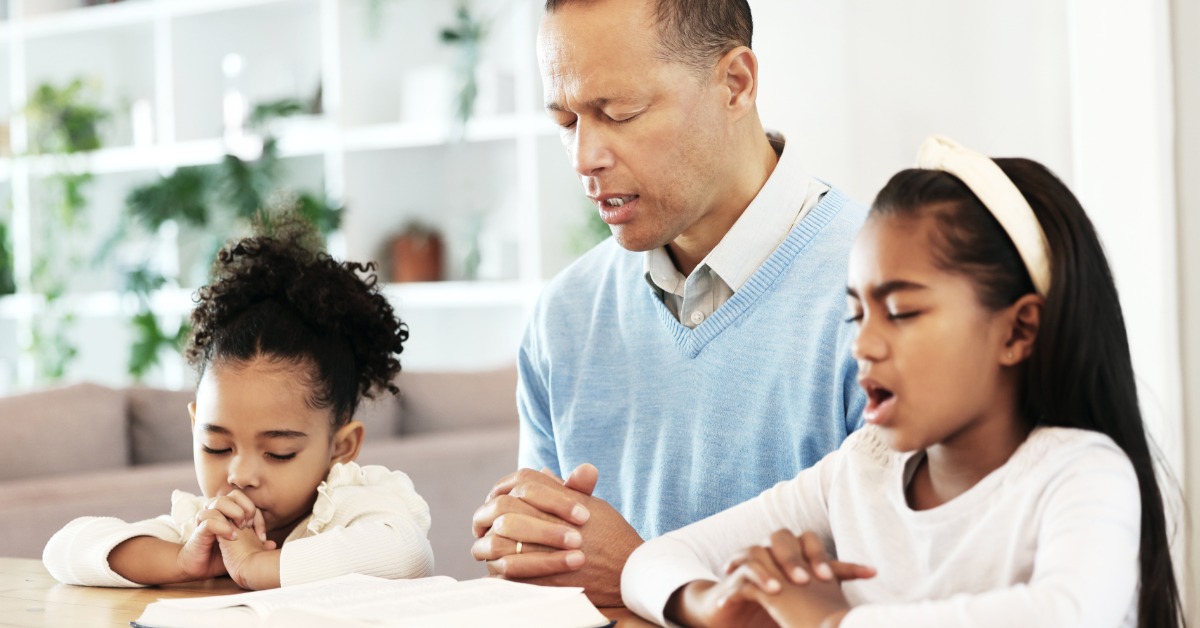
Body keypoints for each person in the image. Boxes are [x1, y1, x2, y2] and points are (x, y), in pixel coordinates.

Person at [620, 136, 1186, 627]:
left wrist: (832, 622)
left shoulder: (1080, 473)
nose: (863, 345)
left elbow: (1065, 616)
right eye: (857, 314)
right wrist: (714, 604)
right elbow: (651, 562)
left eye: (901, 313)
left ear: (1018, 331)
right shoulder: (861, 470)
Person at [471, 0, 867, 605]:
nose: (584, 158)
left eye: (620, 114)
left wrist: (636, 572)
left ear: (736, 84)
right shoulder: (565, 316)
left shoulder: (886, 299)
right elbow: (555, 592)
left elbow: (906, 599)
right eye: (566, 121)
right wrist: (525, 547)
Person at [43, 213, 434, 590]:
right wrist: (181, 560)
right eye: (217, 446)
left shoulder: (349, 508)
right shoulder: (208, 525)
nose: (240, 475)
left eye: (279, 453)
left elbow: (408, 553)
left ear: (341, 447)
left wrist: (256, 566)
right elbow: (63, 550)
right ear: (195, 427)